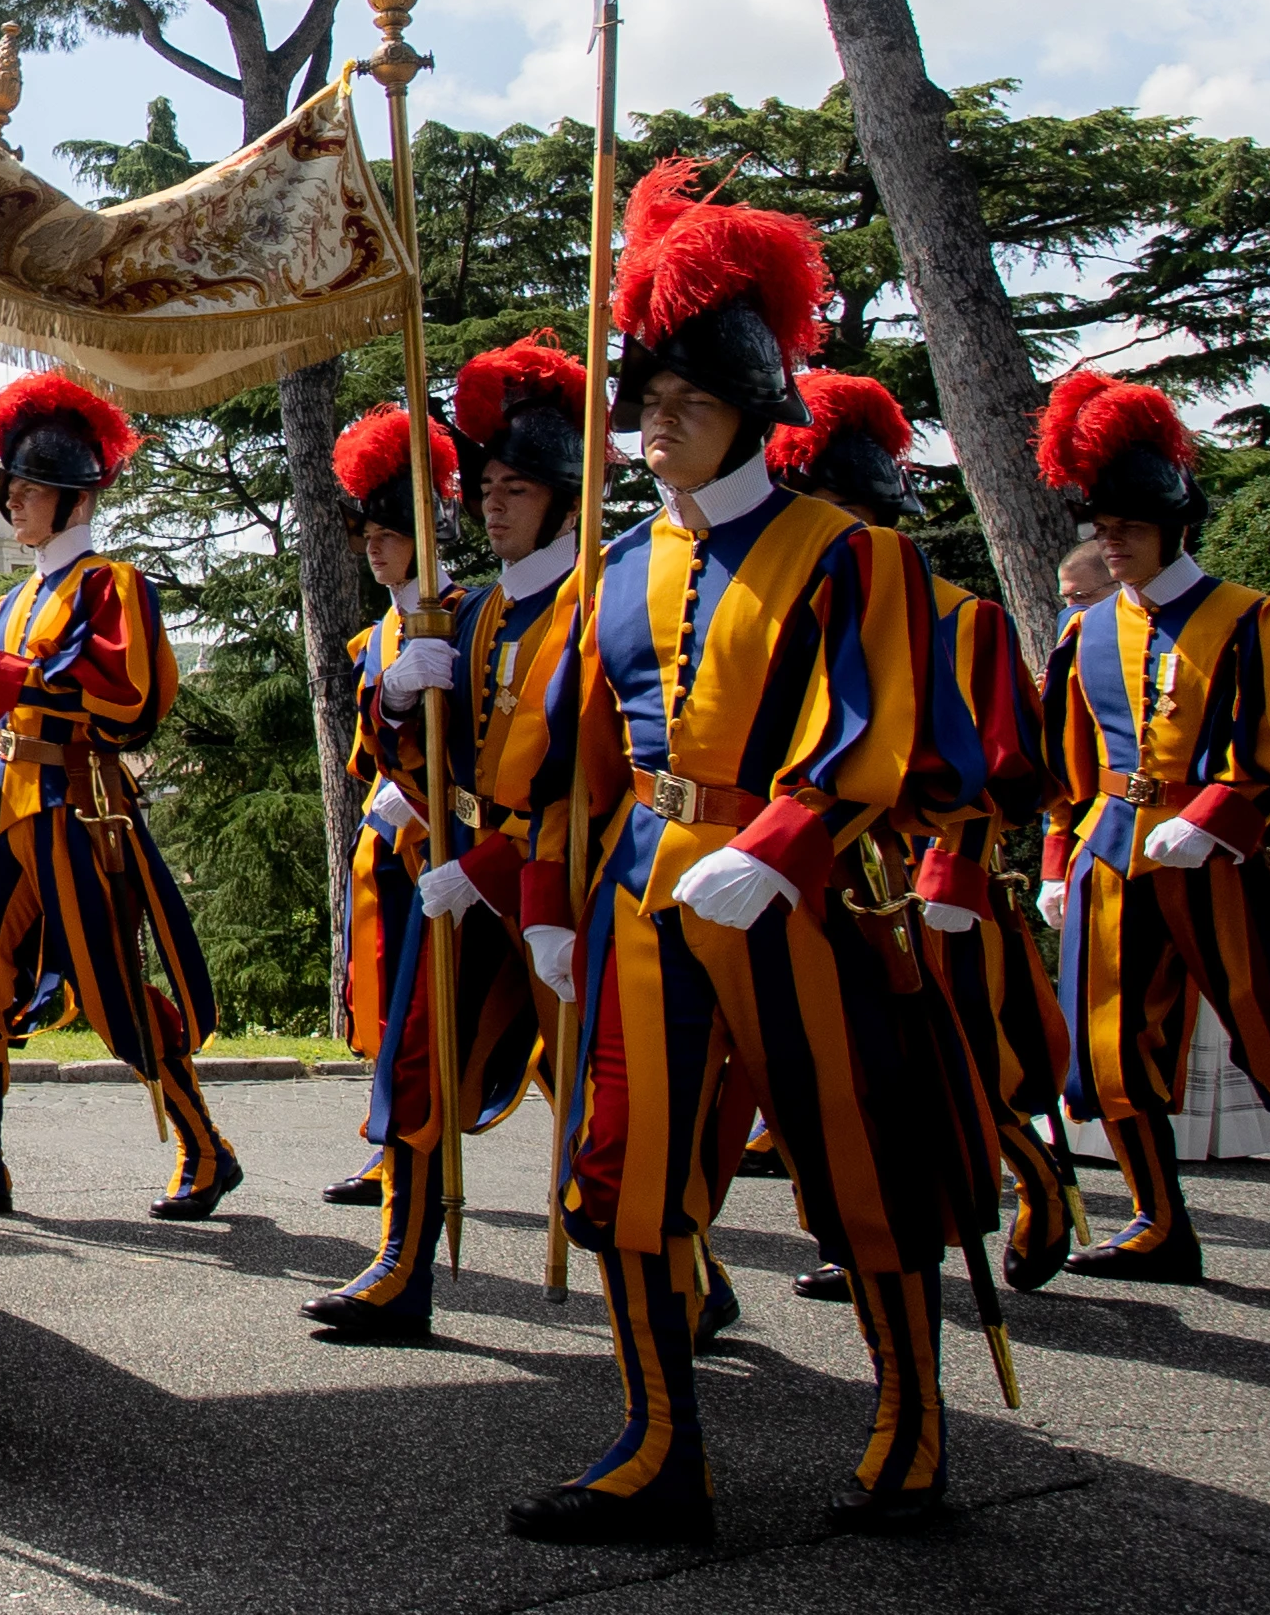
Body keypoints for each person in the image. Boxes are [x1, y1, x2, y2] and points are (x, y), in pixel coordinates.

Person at [514, 163, 984, 1547]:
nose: (658, 431)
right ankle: (660, 1444)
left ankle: (910, 1425)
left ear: (749, 417)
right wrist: (550, 899)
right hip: (642, 894)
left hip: (801, 898)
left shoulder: (849, 557)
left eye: (687, 407)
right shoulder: (611, 569)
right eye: (646, 407)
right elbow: (571, 755)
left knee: (858, 1164)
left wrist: (784, 841)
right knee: (624, 1169)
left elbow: (882, 730)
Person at [1034, 371, 1270, 1292]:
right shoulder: (1083, 636)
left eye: (1126, 527)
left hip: (1222, 857)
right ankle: (1160, 1222)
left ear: (1172, 524)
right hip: (1110, 854)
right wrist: (1056, 860)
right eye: (1101, 528)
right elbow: (1062, 771)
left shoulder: (1261, 620)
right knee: (1110, 1052)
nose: (1110, 542)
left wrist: (1219, 819)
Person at [771, 370, 1079, 1298]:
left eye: (830, 507)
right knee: (843, 1077)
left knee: (959, 1073)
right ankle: (863, 1234)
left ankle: (1041, 1185)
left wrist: (952, 881)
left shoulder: (962, 618)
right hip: (820, 877)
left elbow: (991, 775)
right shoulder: (795, 613)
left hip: (928, 883)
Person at [324, 330, 592, 1339]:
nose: (494, 500)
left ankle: (689, 1276)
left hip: (563, 878)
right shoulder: (472, 615)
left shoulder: (594, 602)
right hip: (471, 876)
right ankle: (400, 1262)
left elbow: (583, 773)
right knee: (417, 1058)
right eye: (486, 483)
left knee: (593, 1084)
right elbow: (436, 759)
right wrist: (393, 702)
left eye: (518, 486)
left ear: (562, 496)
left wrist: (485, 860)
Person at [0, 370, 233, 1219]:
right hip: (1, 808)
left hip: (75, 810)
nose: (15, 503)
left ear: (75, 499)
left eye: (32, 490)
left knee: (111, 990)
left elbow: (128, 697)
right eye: (11, 488)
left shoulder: (113, 585)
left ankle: (203, 1142)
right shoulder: (6, 604)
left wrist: (17, 680)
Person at [318, 400, 462, 1212]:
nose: (373, 548)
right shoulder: (379, 632)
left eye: (388, 534)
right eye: (366, 536)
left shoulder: (464, 612)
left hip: (445, 841)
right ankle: (389, 1144)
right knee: (384, 1004)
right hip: (387, 838)